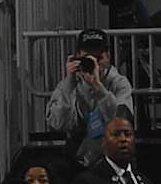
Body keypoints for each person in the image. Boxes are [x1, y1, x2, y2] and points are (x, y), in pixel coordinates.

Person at [44, 28, 135, 164]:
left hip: (112, 154)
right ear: (78, 57)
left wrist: (98, 87)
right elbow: (58, 124)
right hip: (77, 154)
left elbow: (120, 121)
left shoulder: (119, 83)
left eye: (98, 58)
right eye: (88, 59)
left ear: (108, 56)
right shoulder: (68, 85)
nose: (95, 64)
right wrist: (69, 82)